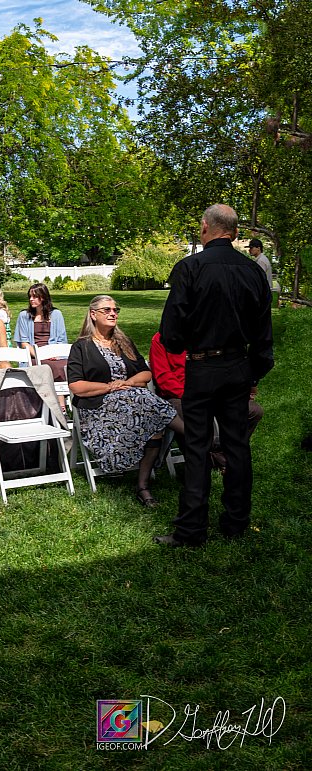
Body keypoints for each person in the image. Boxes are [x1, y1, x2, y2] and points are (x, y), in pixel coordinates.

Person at [155, 204, 274, 546]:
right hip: (238, 366)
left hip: (203, 366)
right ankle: (236, 522)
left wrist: (187, 342)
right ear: (234, 233)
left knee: (197, 446)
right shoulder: (253, 271)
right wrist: (253, 373)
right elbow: (263, 333)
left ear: (205, 227)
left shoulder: (190, 268)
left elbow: (171, 334)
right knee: (237, 445)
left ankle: (192, 530)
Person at [67, 296, 180, 509]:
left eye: (115, 310)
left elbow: (146, 373)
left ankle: (143, 486)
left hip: (134, 403)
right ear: (93, 314)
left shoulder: (124, 343)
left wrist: (127, 382)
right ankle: (198, 439)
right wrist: (110, 387)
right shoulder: (82, 347)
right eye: (107, 310)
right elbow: (76, 386)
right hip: (98, 408)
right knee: (146, 402)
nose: (113, 313)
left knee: (150, 414)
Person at [150, 331, 264, 472]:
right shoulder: (161, 339)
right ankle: (205, 462)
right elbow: (163, 377)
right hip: (178, 396)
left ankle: (219, 453)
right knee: (187, 414)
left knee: (253, 411)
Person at [13, 283, 69, 380]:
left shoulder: (56, 314)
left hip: (54, 354)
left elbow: (61, 340)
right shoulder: (24, 316)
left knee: (64, 366)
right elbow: (24, 343)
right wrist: (40, 355)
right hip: (34, 355)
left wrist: (55, 354)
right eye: (30, 296)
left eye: (34, 296)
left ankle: (60, 389)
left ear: (43, 297)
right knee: (47, 367)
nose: (31, 299)